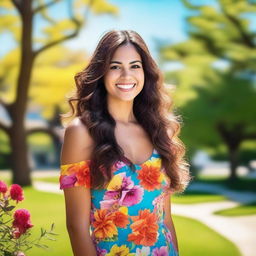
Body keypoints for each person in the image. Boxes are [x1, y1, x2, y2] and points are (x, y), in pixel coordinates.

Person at [59, 30, 190, 256]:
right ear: (101, 72)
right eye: (115, 66)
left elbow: (165, 219)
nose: (126, 75)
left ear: (146, 72)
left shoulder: (160, 131)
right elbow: (76, 227)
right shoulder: (81, 133)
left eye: (135, 66)